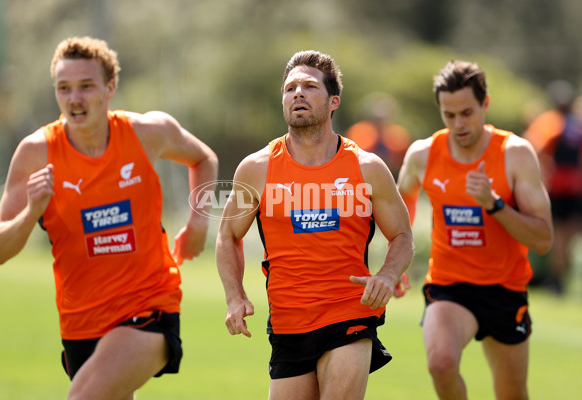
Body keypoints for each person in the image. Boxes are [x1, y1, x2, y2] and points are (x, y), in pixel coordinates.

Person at [0, 36, 218, 400]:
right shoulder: (36, 153)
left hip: (149, 306)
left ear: (110, 88)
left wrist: (198, 223)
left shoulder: (146, 132)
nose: (74, 99)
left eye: (86, 86)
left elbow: (204, 159)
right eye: (64, 88)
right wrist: (32, 211)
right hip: (80, 323)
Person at [216, 50, 414, 400]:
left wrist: (387, 274)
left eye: (309, 86)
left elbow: (402, 235)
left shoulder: (367, 168)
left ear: (333, 101)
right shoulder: (257, 168)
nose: (298, 93)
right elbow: (228, 235)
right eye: (290, 87)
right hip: (288, 320)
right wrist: (234, 296)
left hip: (349, 310)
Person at [397, 60, 553, 399]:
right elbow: (400, 201)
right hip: (449, 286)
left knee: (511, 393)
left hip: (505, 287)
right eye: (449, 115)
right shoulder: (423, 154)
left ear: (485, 104)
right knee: (440, 363)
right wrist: (397, 259)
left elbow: (543, 239)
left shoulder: (515, 154)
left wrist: (495, 204)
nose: (458, 124)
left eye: (467, 113)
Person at [523, 80, 582, 294]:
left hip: (557, 186)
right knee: (569, 236)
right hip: (576, 187)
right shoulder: (577, 125)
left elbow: (533, 148)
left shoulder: (550, 123)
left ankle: (557, 281)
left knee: (557, 236)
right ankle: (562, 278)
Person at [345, 93, 412, 179]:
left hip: (392, 176)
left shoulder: (399, 134)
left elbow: (404, 161)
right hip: (360, 175)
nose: (380, 120)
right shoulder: (358, 132)